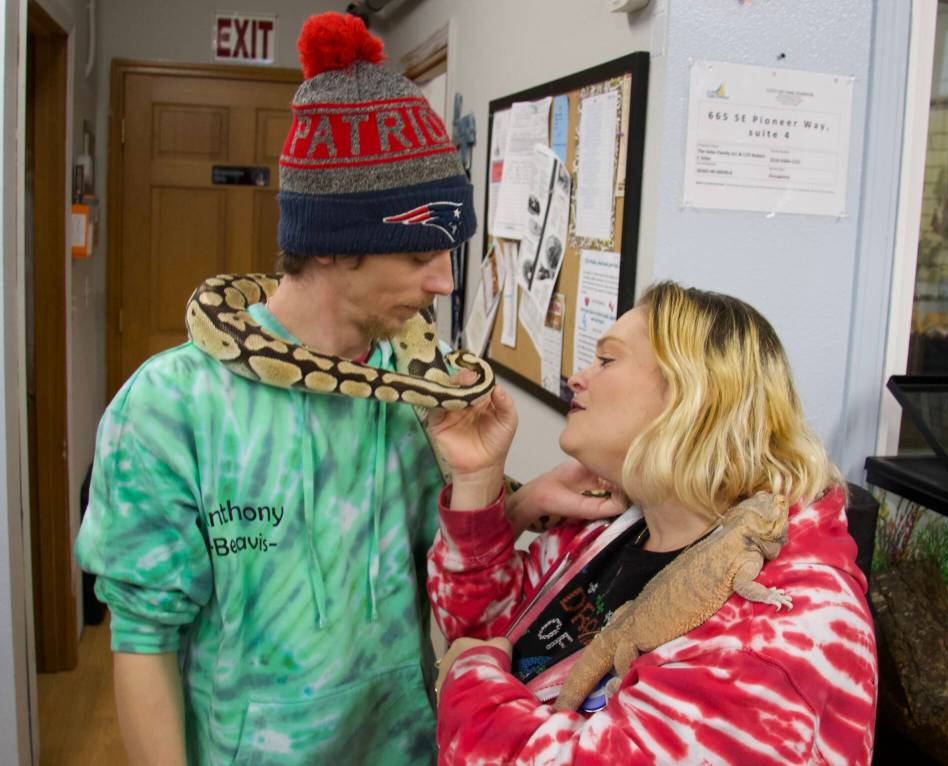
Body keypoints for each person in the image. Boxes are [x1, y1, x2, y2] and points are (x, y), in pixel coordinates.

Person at [75, 13, 619, 765]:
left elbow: (438, 562)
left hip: (406, 746)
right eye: (420, 254)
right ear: (335, 247)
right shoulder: (170, 406)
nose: (444, 282)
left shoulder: (417, 389)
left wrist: (517, 498)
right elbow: (142, 642)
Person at [426, 282, 879, 765]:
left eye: (607, 360)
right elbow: (483, 626)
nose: (578, 377)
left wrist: (469, 683)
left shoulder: (777, 640)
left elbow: (474, 655)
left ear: (692, 393)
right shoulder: (619, 523)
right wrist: (478, 478)